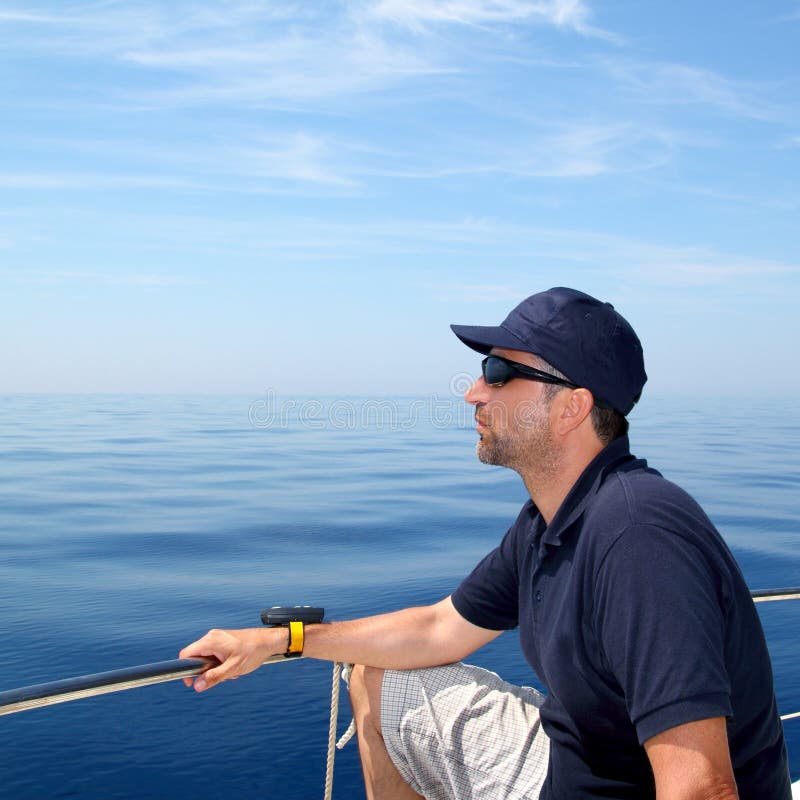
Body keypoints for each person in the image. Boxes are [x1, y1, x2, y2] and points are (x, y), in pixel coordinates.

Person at [180, 287, 791, 799]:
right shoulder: (549, 521)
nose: (473, 391)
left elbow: (701, 787)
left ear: (571, 408)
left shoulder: (639, 537)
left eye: (498, 374)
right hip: (569, 767)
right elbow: (437, 629)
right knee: (373, 676)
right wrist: (280, 640)